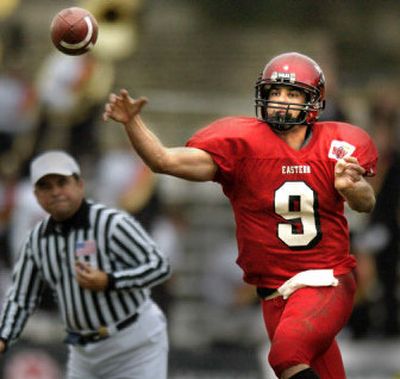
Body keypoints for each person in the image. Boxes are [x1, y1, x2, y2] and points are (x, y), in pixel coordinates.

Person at [103, 52, 378, 379]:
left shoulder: (337, 146)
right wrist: (133, 123)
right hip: (273, 293)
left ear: (313, 101)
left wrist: (350, 187)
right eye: (275, 92)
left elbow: (366, 202)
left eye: (292, 93)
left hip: (324, 281)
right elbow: (163, 160)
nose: (281, 101)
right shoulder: (242, 145)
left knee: (286, 355)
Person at [0, 150, 171, 379]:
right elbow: (21, 297)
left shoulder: (111, 223)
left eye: (62, 183)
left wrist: (110, 280)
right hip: (85, 347)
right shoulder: (37, 241)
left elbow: (159, 265)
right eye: (46, 187)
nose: (56, 193)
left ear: (79, 185)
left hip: (133, 340)